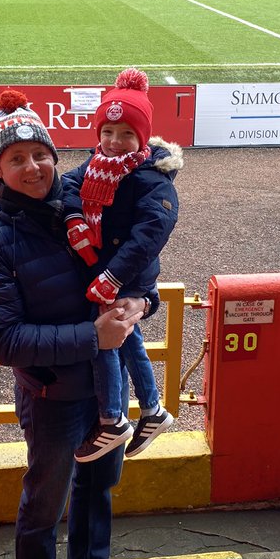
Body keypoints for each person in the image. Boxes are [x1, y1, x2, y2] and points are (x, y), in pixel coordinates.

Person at [0, 92, 149, 559]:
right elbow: (4, 340)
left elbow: (134, 271)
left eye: (39, 154)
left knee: (99, 488)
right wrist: (96, 338)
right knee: (44, 505)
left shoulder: (83, 203)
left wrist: (141, 304)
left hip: (105, 390)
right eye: (16, 158)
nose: (33, 167)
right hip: (52, 396)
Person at [61, 68, 179, 462]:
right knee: (127, 337)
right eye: (107, 132)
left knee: (108, 338)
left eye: (126, 133)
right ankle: (152, 408)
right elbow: (69, 185)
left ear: (142, 138)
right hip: (115, 272)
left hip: (124, 274)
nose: (114, 142)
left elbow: (151, 233)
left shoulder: (151, 178)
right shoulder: (95, 165)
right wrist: (74, 218)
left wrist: (113, 277)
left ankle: (113, 418)